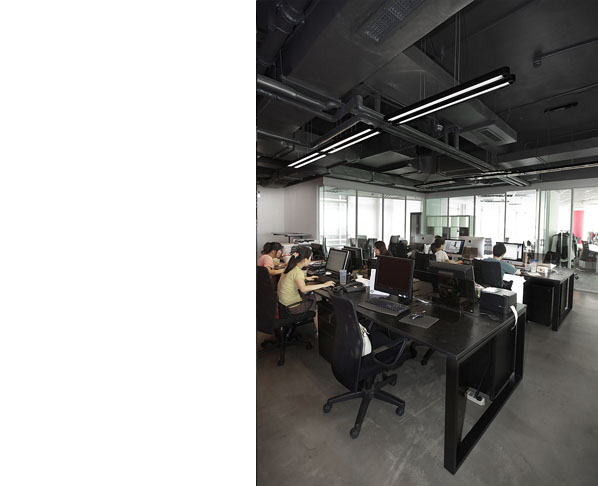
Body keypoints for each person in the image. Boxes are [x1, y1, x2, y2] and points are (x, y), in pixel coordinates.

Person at [277, 245, 334, 316]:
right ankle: (316, 322)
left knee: (310, 295)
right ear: (304, 260)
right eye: (310, 258)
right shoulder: (298, 272)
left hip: (283, 304)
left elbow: (292, 278)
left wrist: (305, 278)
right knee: (315, 299)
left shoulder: (290, 267)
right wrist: (324, 285)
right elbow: (303, 289)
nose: (310, 261)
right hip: (293, 307)